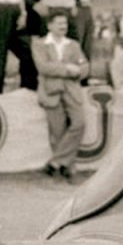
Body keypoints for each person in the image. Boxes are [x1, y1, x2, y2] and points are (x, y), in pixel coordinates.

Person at [31, 10, 89, 179]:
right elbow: (43, 67)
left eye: (65, 23)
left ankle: (55, 163)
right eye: (59, 23)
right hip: (51, 92)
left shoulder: (73, 45)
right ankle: (66, 168)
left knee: (80, 123)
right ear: (50, 25)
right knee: (57, 132)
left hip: (72, 91)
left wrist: (77, 70)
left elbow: (85, 68)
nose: (64, 26)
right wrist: (68, 69)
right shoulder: (40, 44)